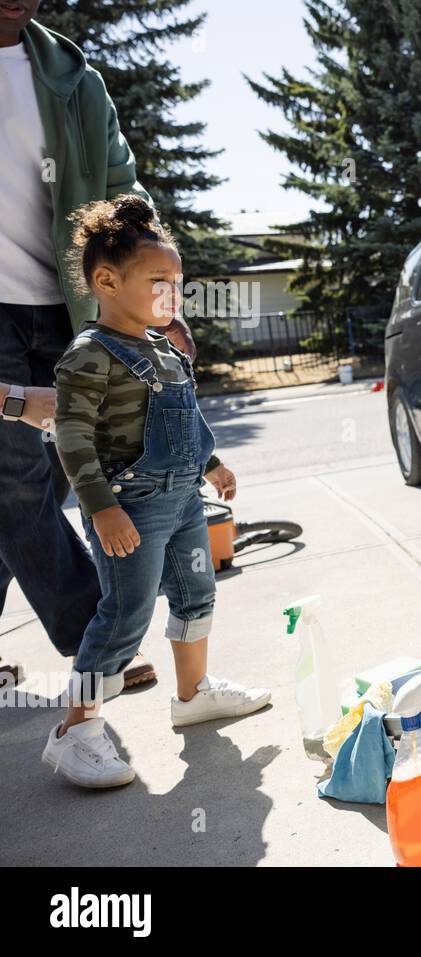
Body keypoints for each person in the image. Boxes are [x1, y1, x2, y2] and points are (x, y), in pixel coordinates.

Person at [41, 195, 270, 789]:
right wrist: (102, 508)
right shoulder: (89, 355)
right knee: (124, 613)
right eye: (159, 281)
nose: (173, 293)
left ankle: (193, 695)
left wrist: (212, 461)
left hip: (185, 500)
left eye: (178, 282)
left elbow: (185, 419)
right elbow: (72, 440)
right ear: (107, 280)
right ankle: (76, 729)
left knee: (197, 592)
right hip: (129, 507)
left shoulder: (165, 348)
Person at [0, 2, 177, 688]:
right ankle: (95, 641)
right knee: (16, 482)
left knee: (39, 482)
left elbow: (119, 191)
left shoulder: (72, 79)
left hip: (68, 305)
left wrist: (154, 293)